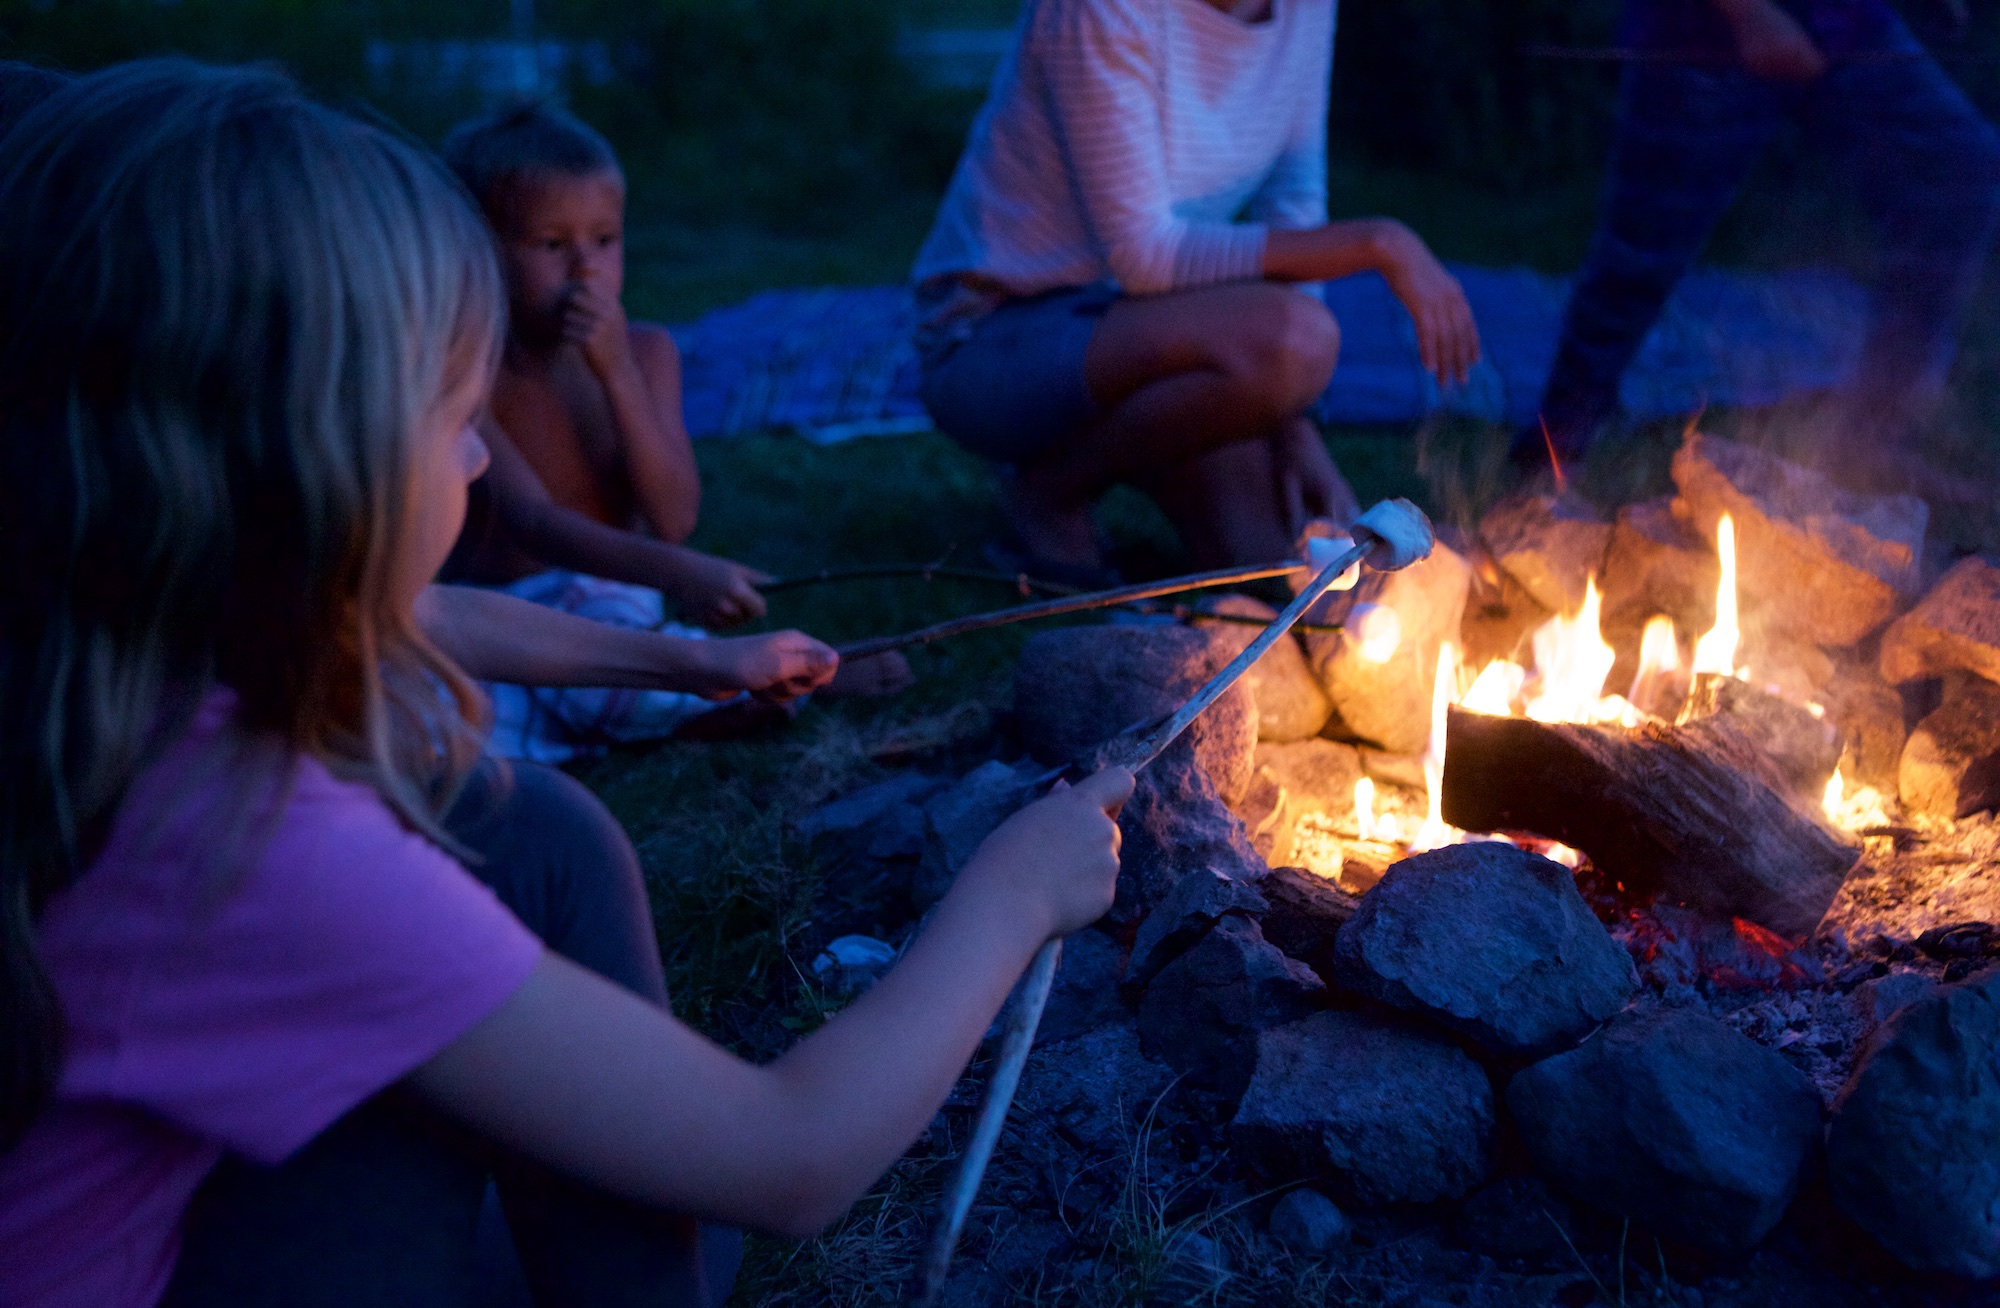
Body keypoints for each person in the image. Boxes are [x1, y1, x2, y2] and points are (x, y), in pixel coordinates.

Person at [0, 60, 1133, 1308]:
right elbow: (792, 1158)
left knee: (534, 827)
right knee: (675, 1173)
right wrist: (1014, 892)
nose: (479, 453)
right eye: (447, 418)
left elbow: (429, 613)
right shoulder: (236, 836)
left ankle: (619, 1253)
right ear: (302, 472)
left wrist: (694, 660)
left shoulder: (95, 633)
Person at [911, 0, 1481, 582]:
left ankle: (1103, 466)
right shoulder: (1101, 9)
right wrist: (1379, 241)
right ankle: (1048, 491)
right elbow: (1145, 255)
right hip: (996, 336)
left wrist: (1293, 415)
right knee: (1296, 337)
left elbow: (1292, 195)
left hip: (1149, 327)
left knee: (1270, 568)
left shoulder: (1306, 8)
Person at [438, 102, 910, 759]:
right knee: (467, 711)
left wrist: (618, 375)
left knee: (605, 640)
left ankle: (762, 687)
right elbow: (531, 523)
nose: (585, 269)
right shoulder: (472, 371)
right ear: (481, 249)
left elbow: (674, 518)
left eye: (604, 240)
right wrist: (680, 573)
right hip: (497, 609)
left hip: (615, 604)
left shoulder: (649, 352)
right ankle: (710, 692)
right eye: (552, 244)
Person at [1513, 0, 2000, 498]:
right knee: (1639, 257)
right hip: (1707, 32)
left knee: (1959, 179)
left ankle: (1868, 450)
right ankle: (1545, 465)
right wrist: (1748, 13)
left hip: (1846, 20)